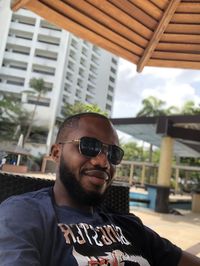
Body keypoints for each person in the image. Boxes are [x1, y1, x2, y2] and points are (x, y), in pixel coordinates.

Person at [0, 112, 199, 266]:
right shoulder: (25, 214)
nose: (103, 162)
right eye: (88, 146)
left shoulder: (129, 225)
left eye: (113, 153)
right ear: (56, 153)